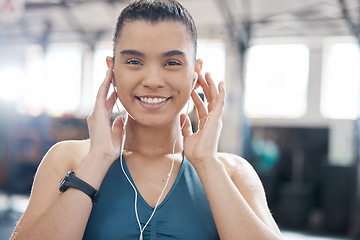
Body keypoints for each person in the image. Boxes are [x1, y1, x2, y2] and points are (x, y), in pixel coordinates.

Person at [10, 0, 282, 239]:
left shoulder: (233, 172)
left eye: (172, 62)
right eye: (134, 62)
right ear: (112, 68)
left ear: (195, 72)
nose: (152, 81)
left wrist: (206, 163)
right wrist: (98, 159)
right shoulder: (68, 159)